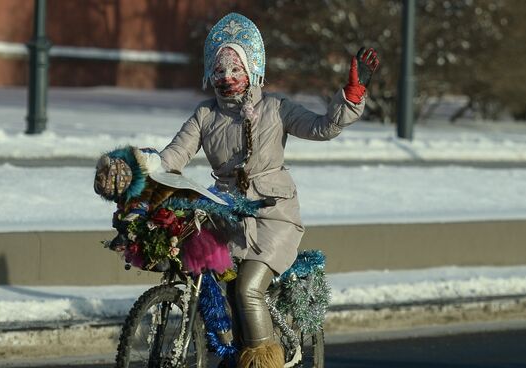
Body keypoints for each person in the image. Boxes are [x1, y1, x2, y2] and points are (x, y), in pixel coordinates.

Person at [158, 12, 379, 368]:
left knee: (248, 289)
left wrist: (351, 96)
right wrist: (146, 169)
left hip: (273, 217)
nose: (226, 78)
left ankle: (264, 361)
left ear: (251, 69)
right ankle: (236, 352)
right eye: (219, 70)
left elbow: (322, 127)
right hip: (228, 218)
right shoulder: (205, 115)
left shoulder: (276, 108)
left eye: (235, 69)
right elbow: (175, 154)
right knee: (220, 287)